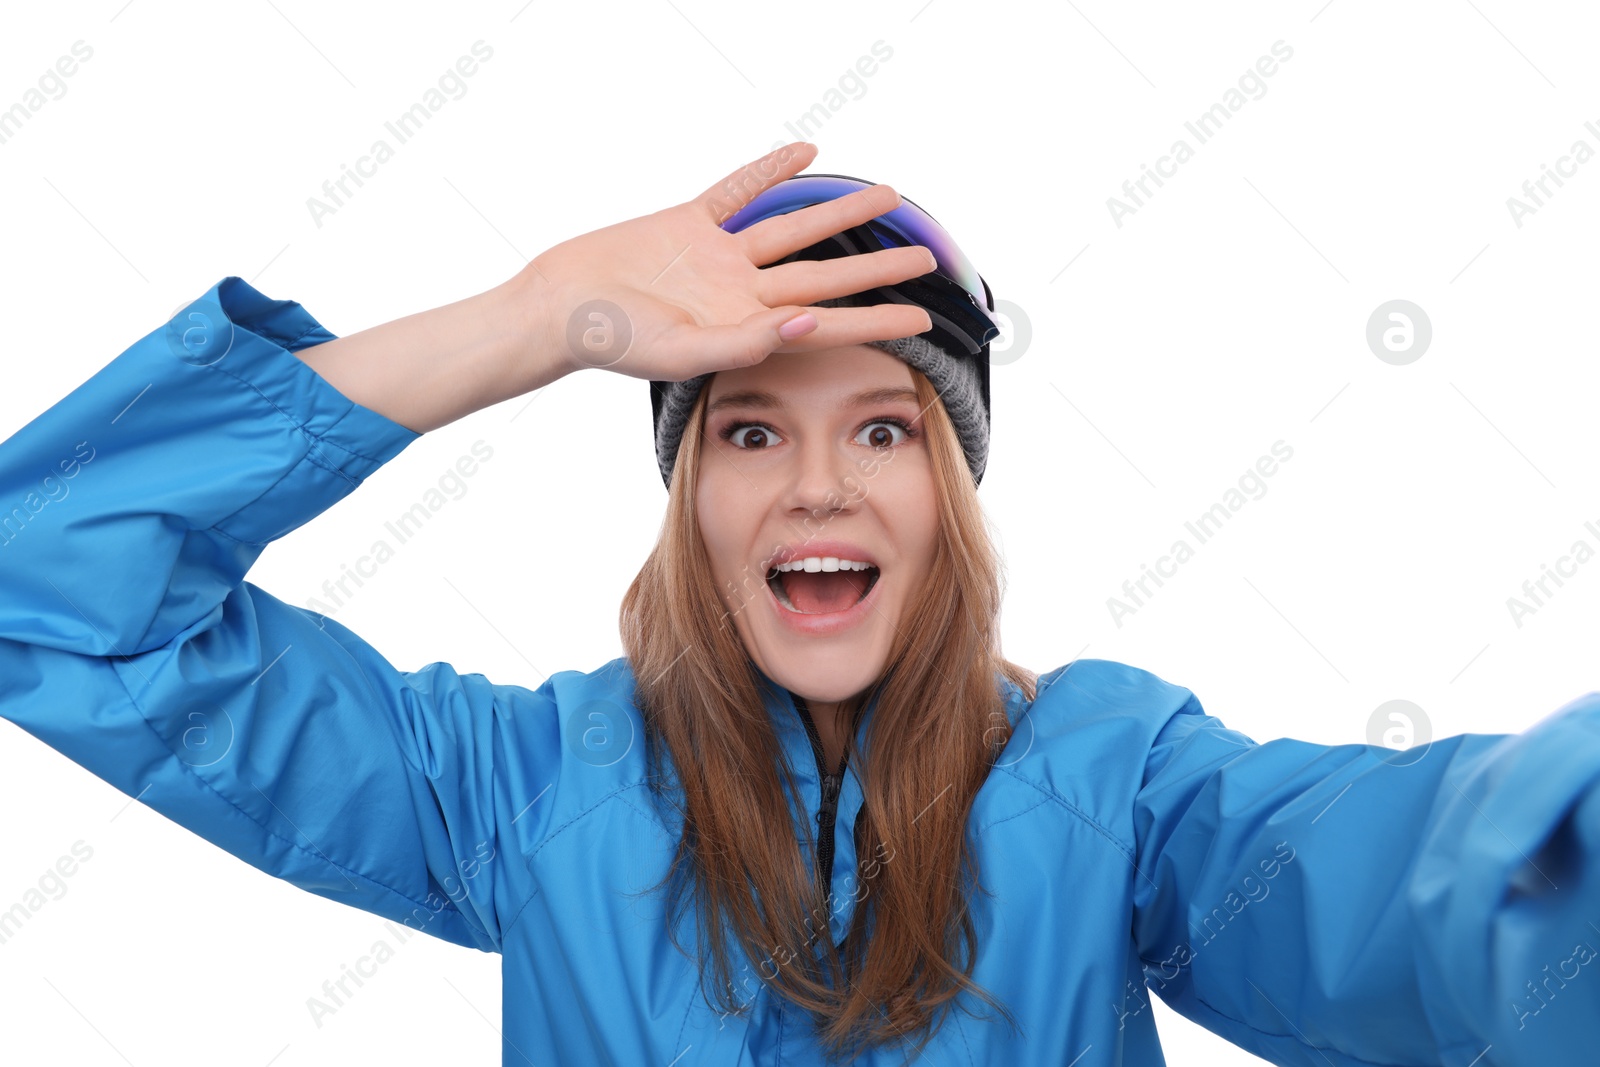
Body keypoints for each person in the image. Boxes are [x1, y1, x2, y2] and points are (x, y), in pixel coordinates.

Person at [0, 141, 1596, 1067]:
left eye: (884, 428)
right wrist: (533, 317)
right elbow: (55, 585)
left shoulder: (1124, 788)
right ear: (689, 492)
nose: (816, 486)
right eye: (749, 429)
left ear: (949, 498)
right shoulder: (520, 790)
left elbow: (1440, 880)